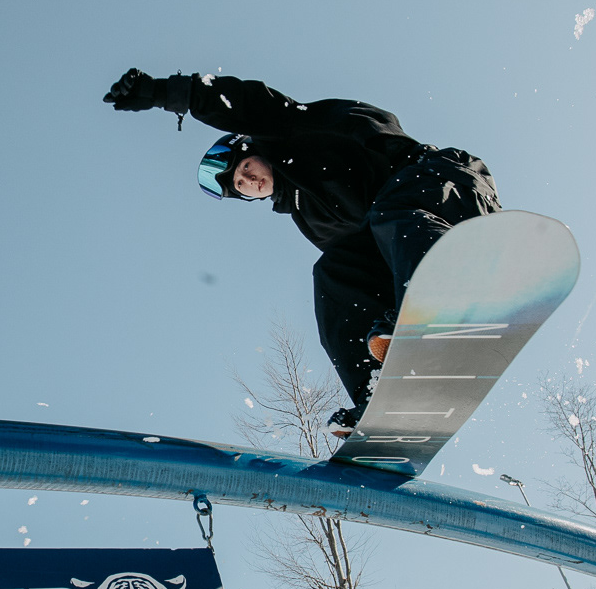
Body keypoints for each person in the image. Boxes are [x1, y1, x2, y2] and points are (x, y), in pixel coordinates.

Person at [104, 68, 501, 434]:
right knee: (333, 272)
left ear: (255, 148)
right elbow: (366, 273)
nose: (248, 180)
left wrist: (165, 92)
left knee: (388, 214)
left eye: (245, 168)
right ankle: (379, 391)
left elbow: (247, 105)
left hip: (442, 183)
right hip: (409, 236)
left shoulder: (294, 134)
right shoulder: (310, 216)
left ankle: (436, 307)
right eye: (241, 185)